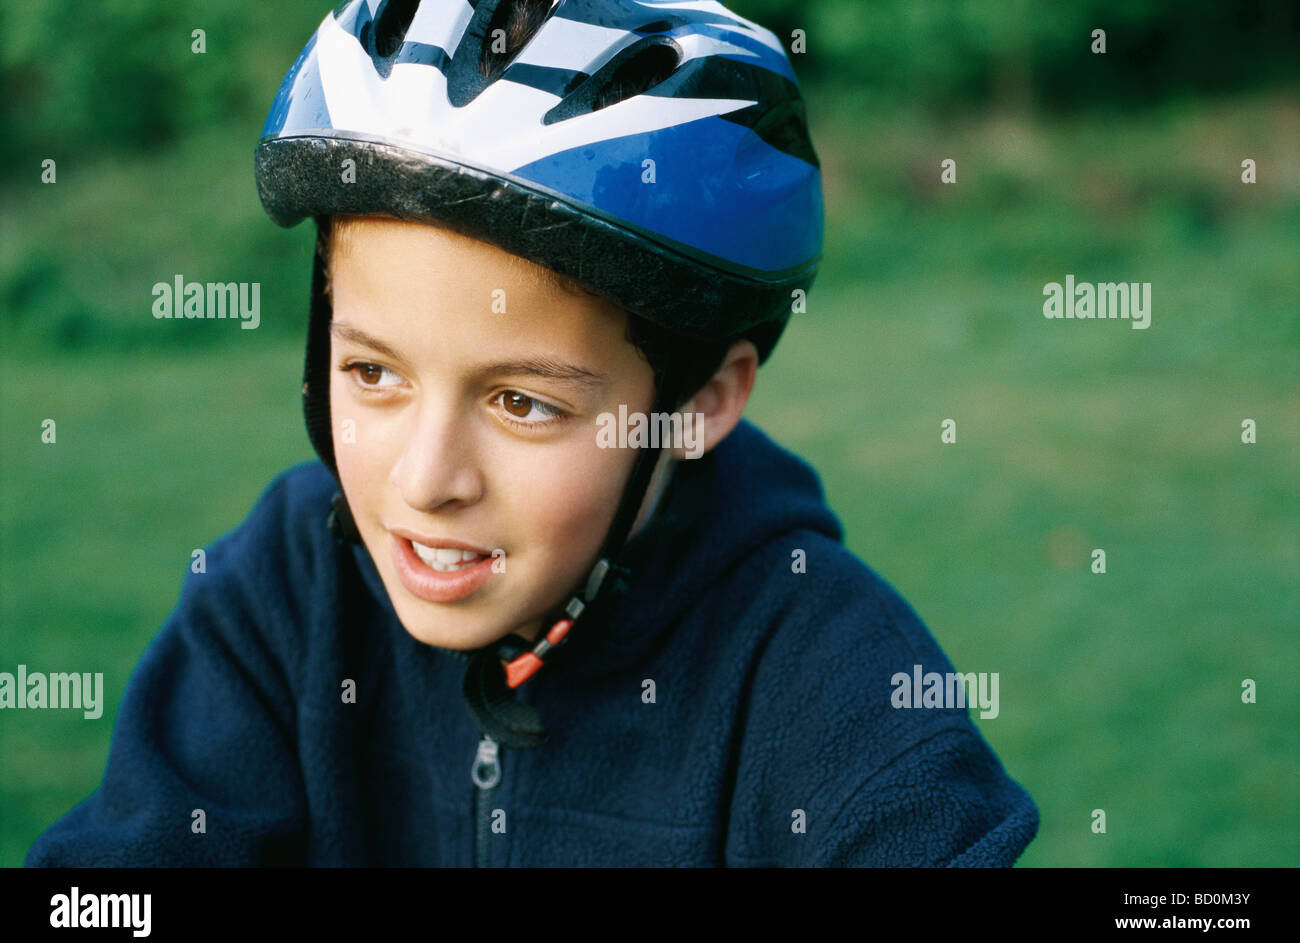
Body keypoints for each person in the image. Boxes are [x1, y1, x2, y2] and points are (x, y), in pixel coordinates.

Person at [26, 0, 1038, 866]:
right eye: (373, 372)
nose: (425, 482)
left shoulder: (836, 690)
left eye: (522, 403)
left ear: (700, 403)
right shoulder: (288, 592)